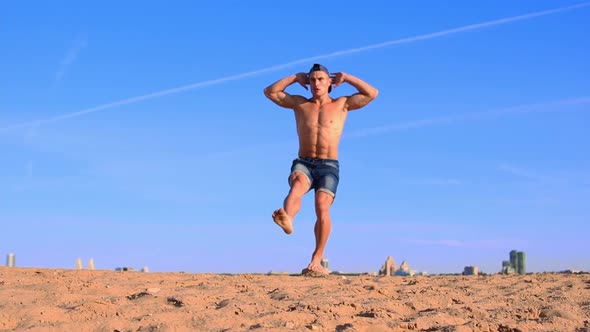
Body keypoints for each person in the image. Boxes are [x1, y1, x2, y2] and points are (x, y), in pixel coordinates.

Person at [263, 63, 378, 274]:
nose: (316, 83)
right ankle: (287, 219)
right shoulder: (300, 104)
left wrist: (347, 77)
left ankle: (317, 257)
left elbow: (372, 93)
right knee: (297, 186)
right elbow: (270, 92)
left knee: (322, 206)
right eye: (312, 79)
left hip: (328, 165)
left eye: (320, 79)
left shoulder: (342, 104)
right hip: (304, 162)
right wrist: (295, 77)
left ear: (330, 82)